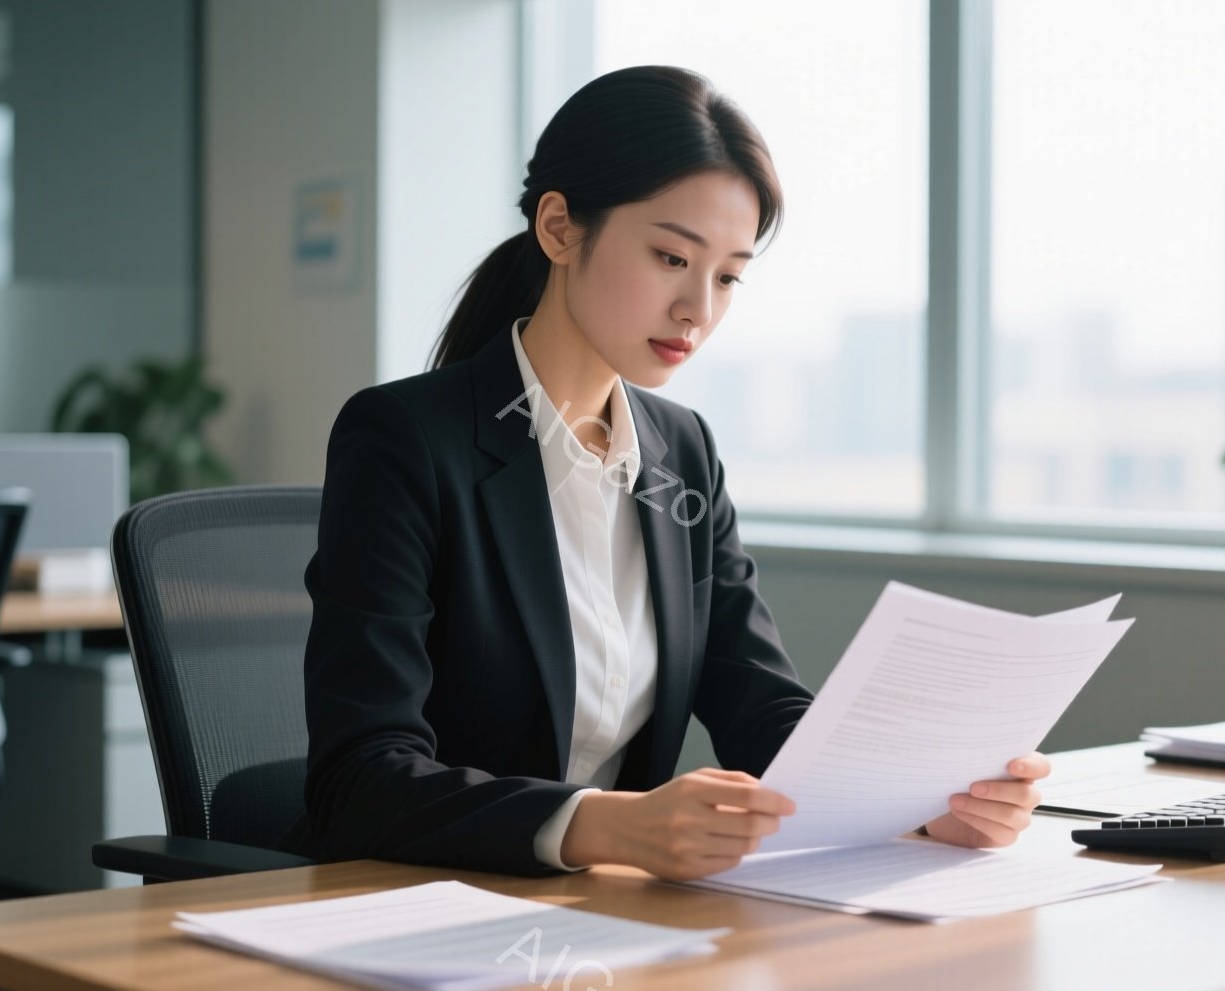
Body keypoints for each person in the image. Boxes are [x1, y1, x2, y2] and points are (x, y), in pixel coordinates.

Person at [276, 65, 1048, 880]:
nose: (699, 310)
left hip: (607, 911)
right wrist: (605, 826)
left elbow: (758, 702)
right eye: (672, 257)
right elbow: (361, 778)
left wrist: (921, 801)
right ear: (559, 228)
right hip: (417, 904)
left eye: (728, 276)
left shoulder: (682, 452)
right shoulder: (405, 439)